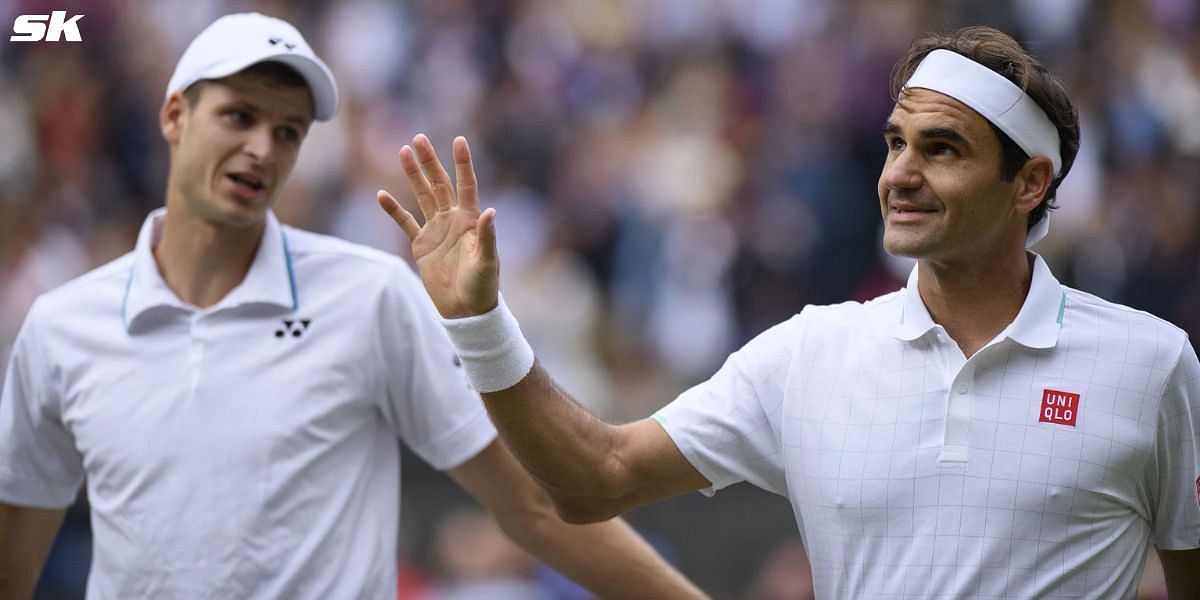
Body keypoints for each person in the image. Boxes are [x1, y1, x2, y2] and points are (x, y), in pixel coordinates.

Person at [378, 25, 1200, 598]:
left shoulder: (1153, 364)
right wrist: (479, 325)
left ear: (1028, 184)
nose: (900, 173)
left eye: (941, 148)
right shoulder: (813, 350)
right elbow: (595, 481)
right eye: (894, 143)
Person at [0, 12, 706, 600]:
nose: (262, 150)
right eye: (239, 116)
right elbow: (14, 556)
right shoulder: (63, 326)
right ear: (174, 114)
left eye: (288, 131)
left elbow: (533, 507)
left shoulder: (371, 296)